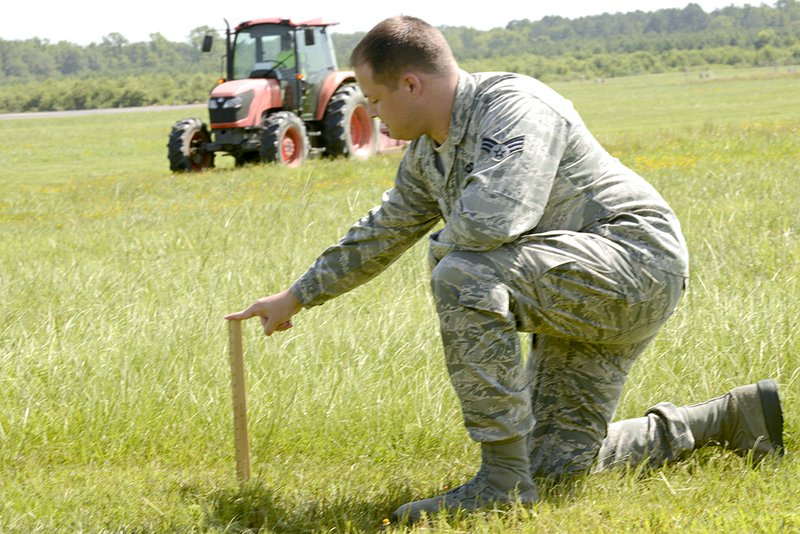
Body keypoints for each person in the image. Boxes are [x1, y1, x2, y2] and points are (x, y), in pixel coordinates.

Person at [226, 16, 784, 524]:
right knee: (556, 465)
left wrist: (440, 251)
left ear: (412, 85)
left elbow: (495, 218)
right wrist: (295, 297)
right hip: (565, 288)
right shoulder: (428, 153)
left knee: (464, 276)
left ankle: (499, 482)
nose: (371, 113)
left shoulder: (515, 106)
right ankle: (728, 419)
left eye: (374, 99)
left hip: (633, 266)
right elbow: (383, 230)